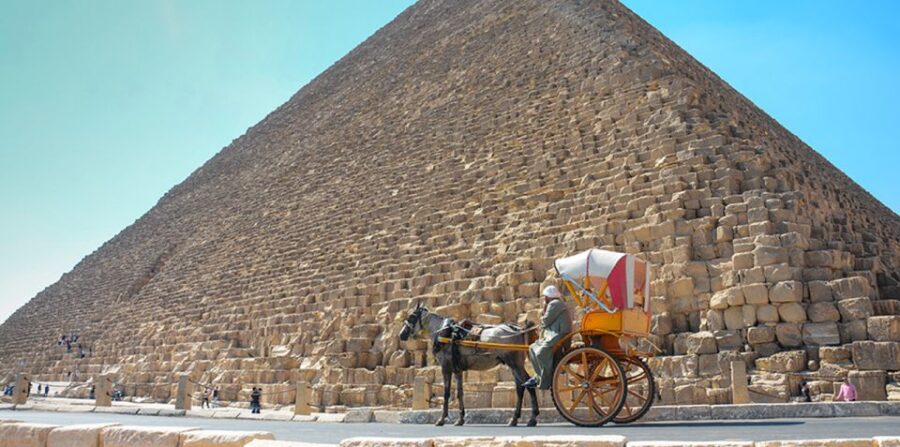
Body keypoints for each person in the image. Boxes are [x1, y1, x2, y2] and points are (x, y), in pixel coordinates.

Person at [523, 285, 572, 389]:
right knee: (532, 348)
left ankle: (545, 379)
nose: (544, 298)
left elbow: (545, 321)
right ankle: (538, 376)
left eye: (545, 296)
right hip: (555, 333)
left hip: (558, 334)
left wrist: (543, 312)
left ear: (549, 297)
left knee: (540, 352)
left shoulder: (554, 304)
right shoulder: (557, 303)